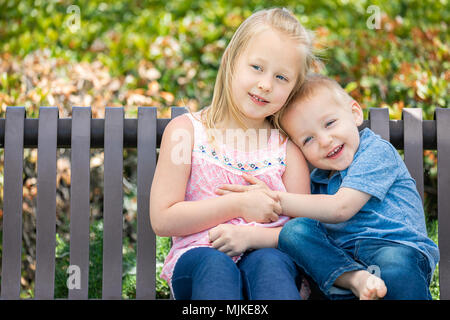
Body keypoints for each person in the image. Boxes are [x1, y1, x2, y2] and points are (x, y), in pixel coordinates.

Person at [216, 74, 439, 300]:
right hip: (340, 267)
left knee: (396, 269)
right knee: (295, 230)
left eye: (330, 123)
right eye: (308, 140)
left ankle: (359, 282)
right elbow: (293, 236)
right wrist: (247, 235)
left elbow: (341, 208)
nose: (324, 140)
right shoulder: (317, 183)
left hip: (394, 249)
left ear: (354, 113)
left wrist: (274, 199)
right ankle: (354, 280)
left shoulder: (375, 152)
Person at [150, 8, 317, 300]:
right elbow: (163, 219)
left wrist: (252, 237)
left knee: (270, 264)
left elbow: (302, 232)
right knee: (214, 265)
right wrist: (239, 205)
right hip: (200, 259)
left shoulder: (287, 151)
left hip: (268, 257)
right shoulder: (186, 132)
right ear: (230, 61)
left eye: (281, 77)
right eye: (256, 67)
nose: (266, 84)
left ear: (293, 90)